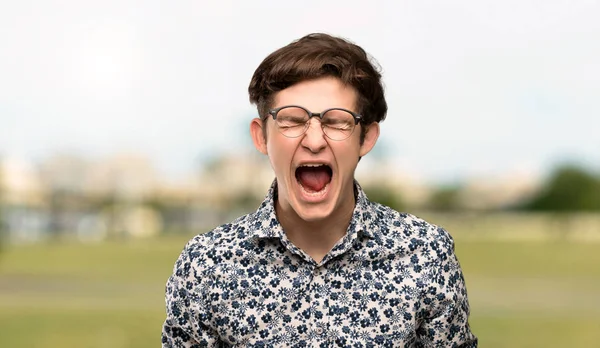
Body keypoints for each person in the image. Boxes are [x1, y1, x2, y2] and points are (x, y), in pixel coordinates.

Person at [162, 33, 478, 347]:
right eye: (292, 120)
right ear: (261, 138)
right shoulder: (206, 265)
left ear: (365, 138)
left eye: (336, 121)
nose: (314, 141)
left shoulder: (425, 254)